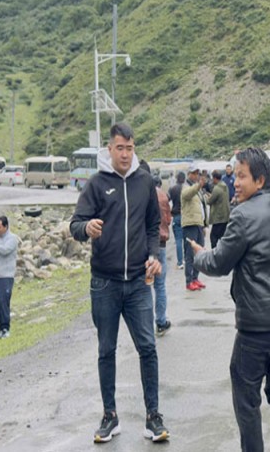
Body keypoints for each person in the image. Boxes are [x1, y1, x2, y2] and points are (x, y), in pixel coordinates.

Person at [188, 147, 270, 452]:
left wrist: (199, 256)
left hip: (254, 330)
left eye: (241, 176)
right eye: (236, 176)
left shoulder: (242, 215)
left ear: (260, 180)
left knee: (247, 400)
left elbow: (219, 263)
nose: (236, 183)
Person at [69, 123, 169, 444]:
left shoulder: (144, 182)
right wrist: (87, 228)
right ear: (110, 149)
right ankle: (110, 416)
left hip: (138, 282)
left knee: (148, 348)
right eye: (120, 148)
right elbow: (75, 224)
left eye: (130, 148)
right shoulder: (97, 184)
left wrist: (153, 255)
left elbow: (153, 225)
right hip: (105, 283)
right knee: (106, 350)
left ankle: (153, 416)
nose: (125, 154)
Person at [181, 165, 208, 291]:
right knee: (189, 254)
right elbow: (187, 194)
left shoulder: (199, 190)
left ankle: (195, 277)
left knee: (199, 252)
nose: (196, 175)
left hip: (198, 224)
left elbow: (203, 207)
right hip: (190, 224)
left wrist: (204, 224)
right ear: (189, 174)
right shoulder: (186, 187)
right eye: (194, 173)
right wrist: (198, 185)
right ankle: (189, 280)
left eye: (197, 173)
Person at [153, 175, 172, 337]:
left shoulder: (140, 193)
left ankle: (144, 324)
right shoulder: (163, 196)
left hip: (142, 244)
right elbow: (168, 219)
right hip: (160, 243)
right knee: (160, 285)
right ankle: (160, 322)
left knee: (143, 286)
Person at [208, 170, 231, 248]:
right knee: (222, 237)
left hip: (218, 217)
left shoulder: (217, 188)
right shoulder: (225, 186)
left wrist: (206, 197)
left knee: (213, 237)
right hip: (225, 216)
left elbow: (209, 201)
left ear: (215, 178)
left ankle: (215, 253)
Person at [168, 172, 185, 270]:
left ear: (177, 178)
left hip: (176, 216)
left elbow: (167, 200)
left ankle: (180, 262)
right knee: (187, 239)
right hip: (186, 216)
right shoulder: (186, 189)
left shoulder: (172, 189)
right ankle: (186, 259)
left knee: (178, 240)